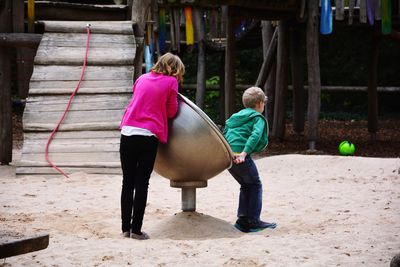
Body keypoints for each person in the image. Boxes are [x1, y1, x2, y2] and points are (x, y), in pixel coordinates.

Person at [119, 52, 185, 240]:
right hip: (147, 135)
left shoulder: (141, 78)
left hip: (127, 132)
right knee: (142, 183)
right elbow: (172, 111)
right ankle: (136, 230)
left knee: (127, 182)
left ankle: (125, 228)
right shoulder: (171, 82)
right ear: (173, 68)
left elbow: (138, 101)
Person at [223, 87, 277, 233]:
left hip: (230, 157)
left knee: (246, 185)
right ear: (260, 103)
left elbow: (225, 133)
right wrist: (244, 153)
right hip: (241, 157)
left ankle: (243, 220)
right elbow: (255, 135)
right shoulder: (257, 118)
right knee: (255, 184)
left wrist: (227, 153)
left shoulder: (236, 117)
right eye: (263, 104)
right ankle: (253, 220)